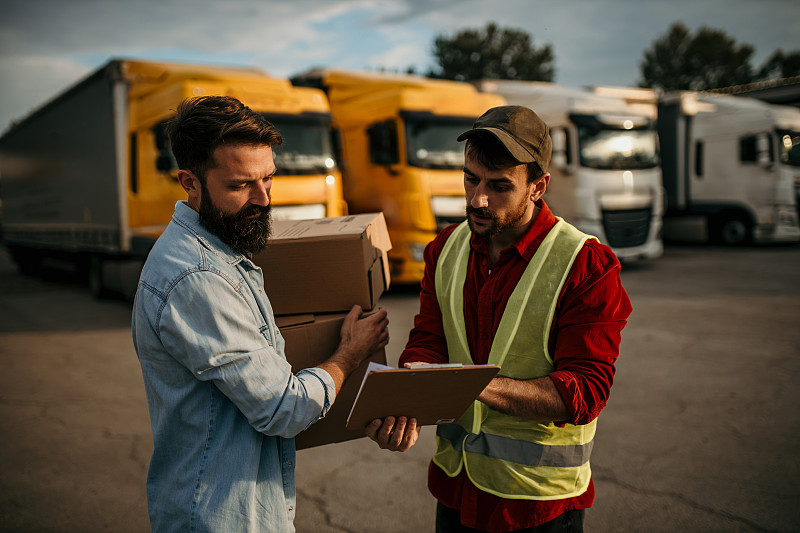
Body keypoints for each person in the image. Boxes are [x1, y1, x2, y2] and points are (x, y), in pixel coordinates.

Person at [366, 105, 632, 532]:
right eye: (471, 178)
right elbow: (429, 340)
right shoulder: (444, 249)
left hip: (537, 505)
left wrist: (466, 383)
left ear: (538, 187)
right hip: (455, 489)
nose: (477, 199)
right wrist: (408, 396)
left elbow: (585, 392)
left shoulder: (586, 265)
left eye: (499, 186)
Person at [132, 95, 389, 533]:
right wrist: (349, 353)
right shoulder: (197, 277)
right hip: (217, 517)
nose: (263, 199)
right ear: (190, 183)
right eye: (239, 185)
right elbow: (283, 408)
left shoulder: (223, 249)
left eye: (268, 179)